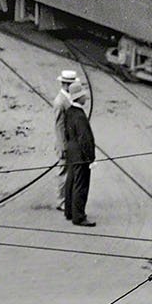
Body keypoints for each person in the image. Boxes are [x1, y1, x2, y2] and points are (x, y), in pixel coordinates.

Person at [52, 69, 91, 211]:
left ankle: (66, 199)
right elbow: (59, 126)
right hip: (64, 143)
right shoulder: (60, 102)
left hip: (70, 142)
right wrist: (63, 146)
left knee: (69, 172)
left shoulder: (67, 98)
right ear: (66, 84)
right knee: (63, 171)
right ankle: (61, 200)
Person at [59, 87, 96, 226]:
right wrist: (90, 158)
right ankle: (79, 217)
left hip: (72, 153)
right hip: (81, 155)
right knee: (81, 185)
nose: (86, 98)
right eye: (84, 96)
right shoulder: (80, 115)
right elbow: (85, 139)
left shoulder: (69, 111)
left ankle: (69, 211)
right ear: (79, 98)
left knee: (71, 182)